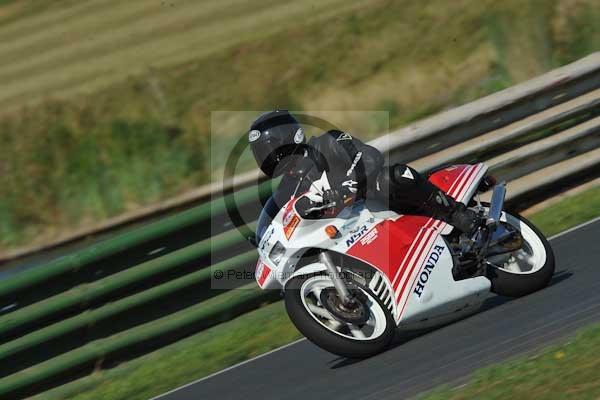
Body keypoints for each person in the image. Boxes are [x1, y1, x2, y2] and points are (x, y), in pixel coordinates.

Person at [248, 110, 481, 234]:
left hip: (379, 206)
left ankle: (455, 214)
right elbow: (279, 221)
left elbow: (369, 156)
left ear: (291, 137)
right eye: (261, 151)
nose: (267, 156)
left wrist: (349, 185)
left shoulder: (328, 142)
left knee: (391, 178)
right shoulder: (285, 191)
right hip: (345, 231)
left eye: (271, 147)